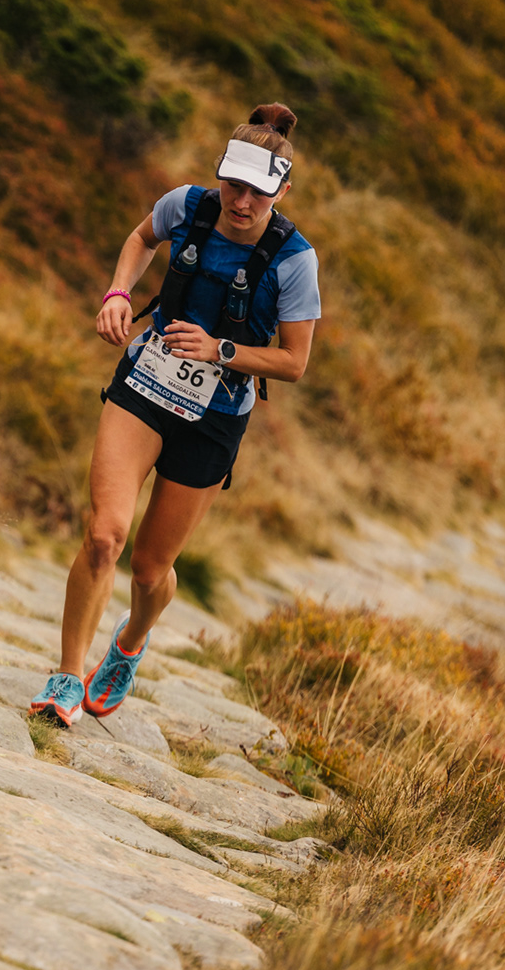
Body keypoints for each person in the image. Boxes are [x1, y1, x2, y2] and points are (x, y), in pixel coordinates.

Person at [29, 104, 321, 726]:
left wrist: (221, 350)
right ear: (220, 173)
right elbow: (141, 238)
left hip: (215, 418)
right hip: (145, 385)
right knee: (104, 535)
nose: (241, 202)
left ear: (283, 191)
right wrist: (118, 292)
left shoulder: (295, 260)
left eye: (258, 192)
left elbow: (294, 362)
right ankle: (65, 678)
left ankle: (129, 643)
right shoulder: (185, 205)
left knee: (149, 569)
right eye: (233, 185)